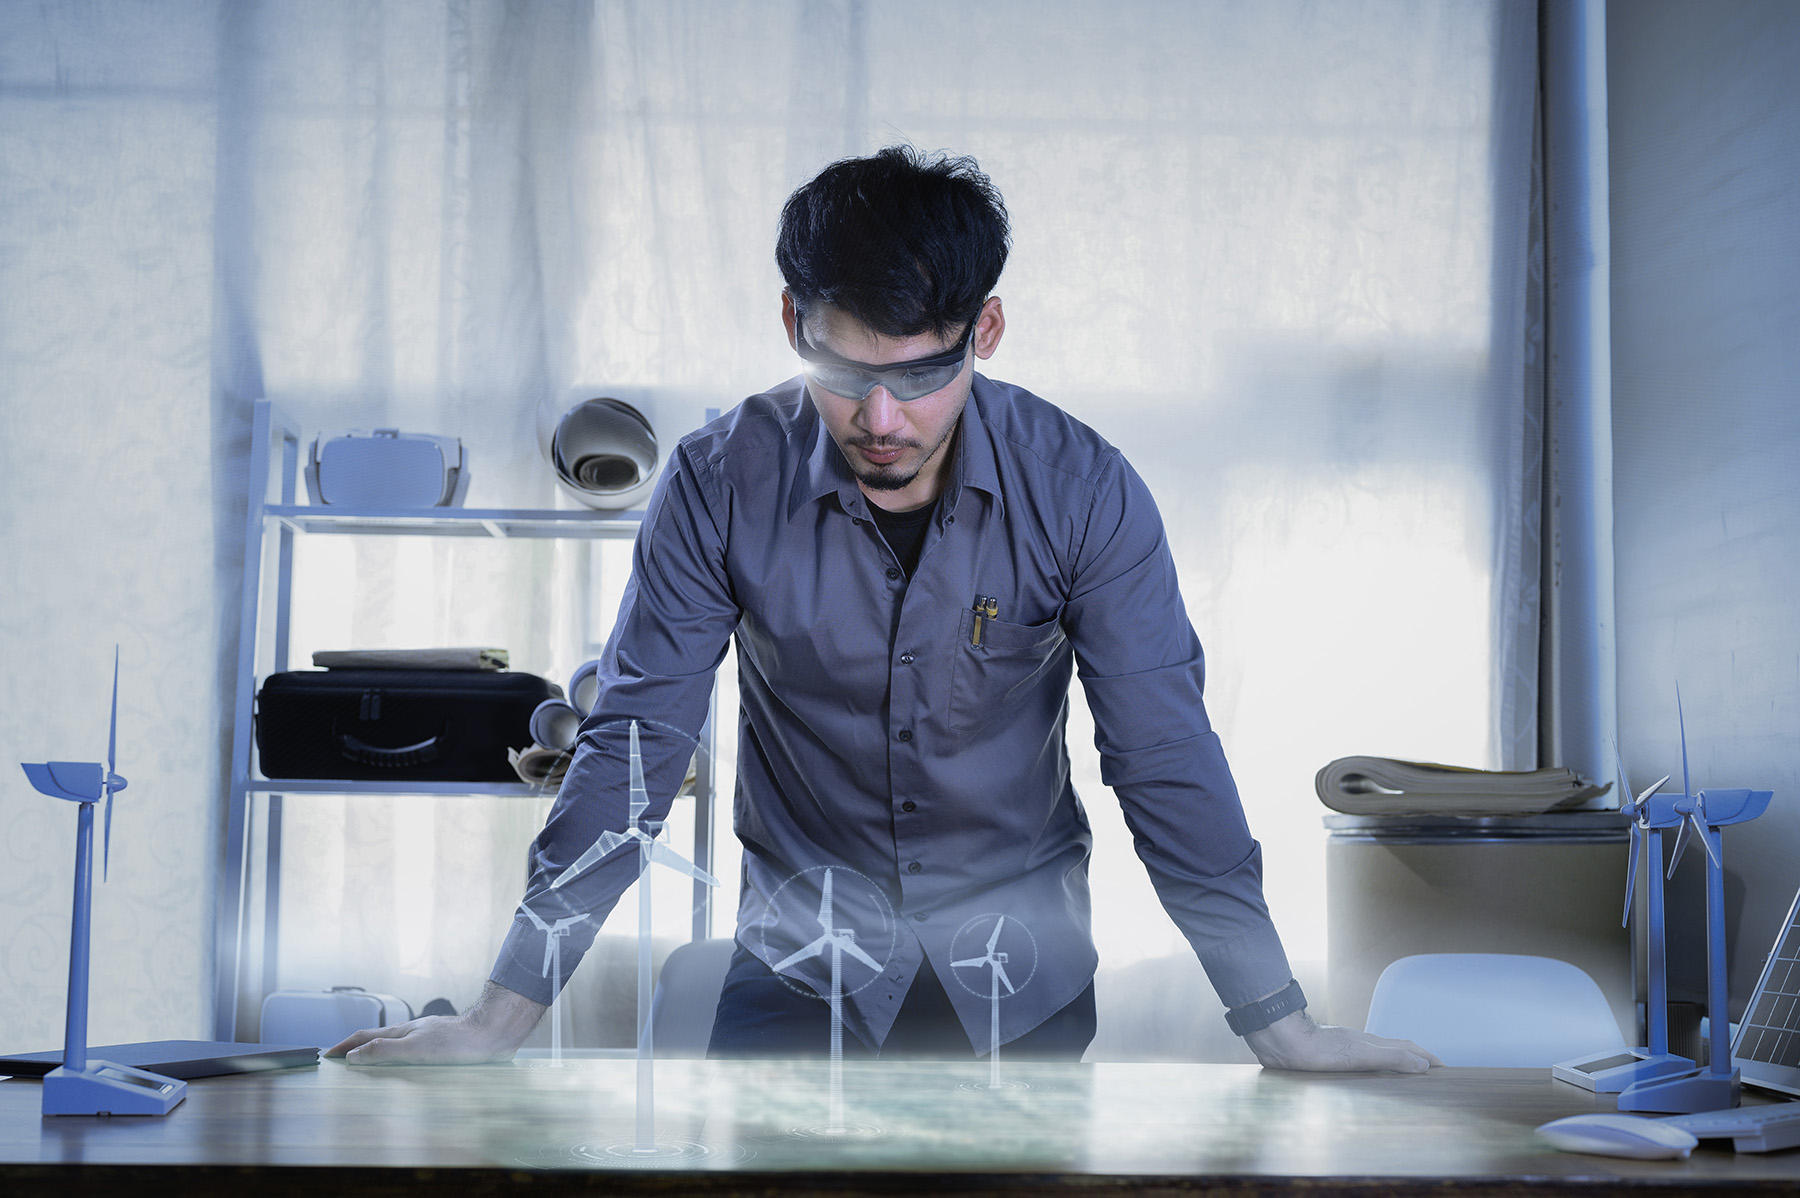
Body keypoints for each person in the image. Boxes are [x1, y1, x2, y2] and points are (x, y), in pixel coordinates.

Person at [328, 146, 1438, 1072]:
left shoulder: (1087, 490)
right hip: (797, 968)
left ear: (985, 332)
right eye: (841, 370)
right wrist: (496, 1018)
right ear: (791, 319)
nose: (881, 419)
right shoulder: (719, 483)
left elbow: (1164, 754)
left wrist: (1278, 1024)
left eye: (918, 377)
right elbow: (633, 749)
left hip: (1021, 979)